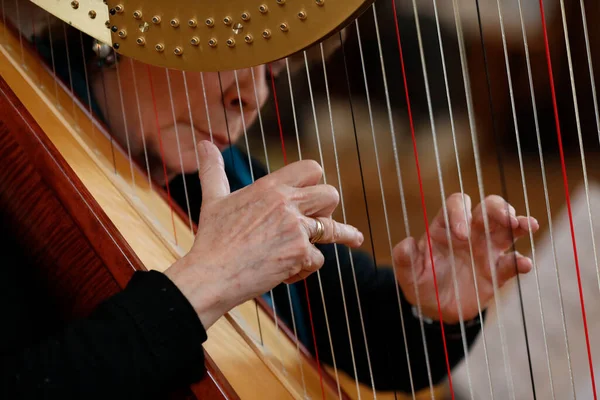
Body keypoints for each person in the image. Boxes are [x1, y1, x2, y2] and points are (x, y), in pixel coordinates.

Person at [0, 9, 539, 398]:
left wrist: (434, 306)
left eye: (272, 69)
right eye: (231, 50)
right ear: (127, 26)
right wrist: (201, 286)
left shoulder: (222, 172)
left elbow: (363, 328)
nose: (251, 95)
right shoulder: (15, 145)